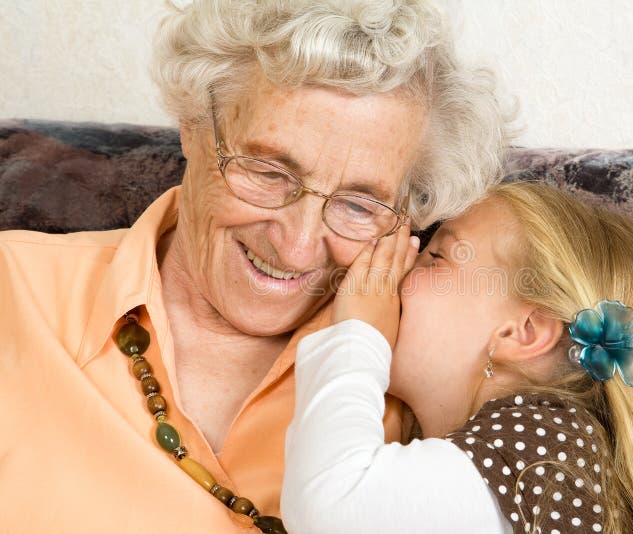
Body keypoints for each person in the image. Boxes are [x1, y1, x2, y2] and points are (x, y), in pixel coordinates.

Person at [0, 1, 510, 532]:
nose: (296, 246)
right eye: (269, 172)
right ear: (194, 126)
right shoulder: (12, 290)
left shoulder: (435, 378)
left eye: (359, 205)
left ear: (408, 217)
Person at [281, 181, 633, 533]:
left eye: (438, 255)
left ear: (523, 332)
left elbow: (331, 508)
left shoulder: (540, 444)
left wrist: (354, 334)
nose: (407, 258)